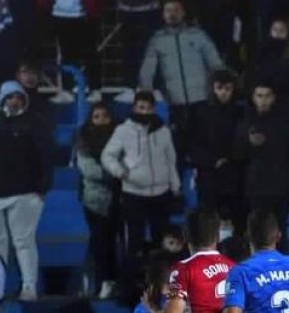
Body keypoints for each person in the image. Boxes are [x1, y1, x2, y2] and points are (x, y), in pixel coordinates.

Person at [0, 81, 52, 302]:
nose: (14, 101)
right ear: (2, 100)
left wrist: (42, 187)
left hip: (25, 194)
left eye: (18, 97)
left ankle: (29, 287)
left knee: (23, 241)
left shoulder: (35, 124)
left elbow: (45, 157)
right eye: (10, 97)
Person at [101, 91, 181, 267]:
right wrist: (121, 172)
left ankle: (162, 285)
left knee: (161, 241)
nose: (144, 112)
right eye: (141, 107)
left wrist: (175, 186)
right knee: (134, 242)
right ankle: (133, 285)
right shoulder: (123, 130)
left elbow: (171, 160)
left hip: (161, 192)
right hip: (134, 194)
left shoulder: (163, 131)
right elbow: (107, 155)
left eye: (148, 108)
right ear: (134, 107)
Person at [138, 0, 225, 148]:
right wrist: (146, 92)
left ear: (183, 13)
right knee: (180, 145)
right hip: (175, 103)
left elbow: (216, 64)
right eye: (168, 11)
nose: (172, 14)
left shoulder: (198, 35)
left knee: (205, 144)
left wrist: (221, 88)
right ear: (163, 14)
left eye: (176, 10)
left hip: (202, 99)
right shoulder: (157, 40)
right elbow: (148, 68)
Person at [233, 82, 289, 251]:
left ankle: (282, 270)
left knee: (279, 230)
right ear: (253, 98)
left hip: (280, 187)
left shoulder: (285, 123)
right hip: (255, 187)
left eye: (267, 96)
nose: (263, 100)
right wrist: (249, 144)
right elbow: (237, 156)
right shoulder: (244, 124)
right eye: (259, 96)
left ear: (274, 98)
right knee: (257, 231)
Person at [189, 70, 244, 233]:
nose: (224, 92)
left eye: (228, 88)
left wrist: (231, 160)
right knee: (207, 222)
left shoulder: (241, 112)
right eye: (220, 88)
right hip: (208, 175)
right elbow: (191, 143)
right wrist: (213, 161)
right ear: (212, 88)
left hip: (235, 175)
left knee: (237, 221)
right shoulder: (199, 111)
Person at [73, 103, 119, 299]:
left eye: (104, 116)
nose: (101, 120)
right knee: (100, 242)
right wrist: (117, 173)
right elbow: (90, 171)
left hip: (120, 199)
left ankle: (115, 282)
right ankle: (99, 283)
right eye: (96, 116)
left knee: (115, 243)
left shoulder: (120, 139)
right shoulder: (83, 141)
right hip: (94, 201)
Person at [35, 0, 103, 82]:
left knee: (90, 52)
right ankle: (67, 88)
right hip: (59, 11)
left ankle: (95, 89)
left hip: (84, 11)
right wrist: (44, 0)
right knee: (66, 53)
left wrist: (93, 3)